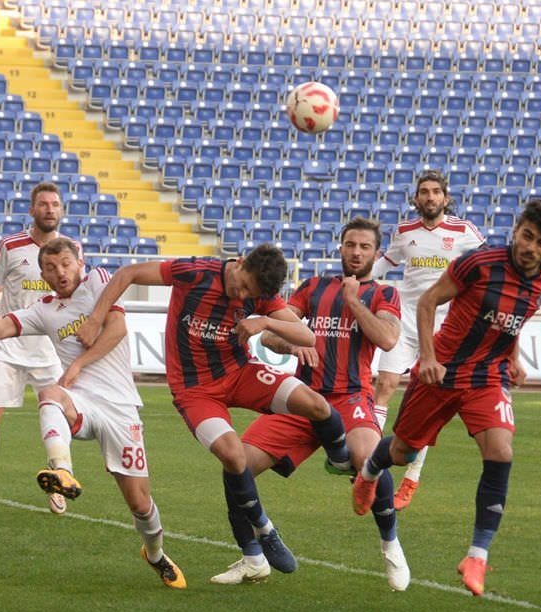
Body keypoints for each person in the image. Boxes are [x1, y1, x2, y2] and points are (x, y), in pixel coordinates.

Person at [75, 243, 352, 585]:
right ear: (239, 263)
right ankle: (264, 528)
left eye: (252, 294)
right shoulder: (195, 273)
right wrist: (95, 318)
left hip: (239, 374)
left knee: (316, 405)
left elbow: (307, 336)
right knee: (234, 456)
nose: (243, 295)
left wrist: (264, 320)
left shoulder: (260, 297)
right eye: (244, 285)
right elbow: (128, 273)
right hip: (195, 390)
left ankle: (341, 459)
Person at [352, 199, 541, 597]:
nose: (530, 248)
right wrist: (430, 357)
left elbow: (513, 319)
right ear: (516, 230)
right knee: (402, 451)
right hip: (442, 372)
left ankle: (476, 554)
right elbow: (428, 301)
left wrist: (513, 357)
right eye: (526, 236)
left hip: (487, 376)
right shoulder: (480, 263)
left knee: (501, 451)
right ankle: (370, 471)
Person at [0, 239, 186, 589]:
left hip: (120, 407)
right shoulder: (44, 309)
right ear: (43, 274)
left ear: (79, 262)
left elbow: (117, 329)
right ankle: (61, 473)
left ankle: (155, 554)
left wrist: (78, 364)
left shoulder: (99, 281)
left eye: (65, 264)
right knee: (49, 394)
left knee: (140, 504)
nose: (59, 272)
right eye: (50, 268)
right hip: (80, 402)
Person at [240, 218, 411, 591]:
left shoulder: (384, 294)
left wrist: (352, 300)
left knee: (370, 462)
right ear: (340, 247)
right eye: (350, 244)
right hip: (303, 399)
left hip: (351, 398)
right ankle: (254, 551)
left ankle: (390, 543)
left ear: (376, 253)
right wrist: (293, 343)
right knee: (238, 465)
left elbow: (386, 339)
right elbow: (270, 335)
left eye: (365, 247)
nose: (356, 252)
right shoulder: (313, 288)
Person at [371, 170, 486, 510]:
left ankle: (411, 479)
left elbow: (485, 268)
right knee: (386, 385)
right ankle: (368, 458)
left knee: (428, 404)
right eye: (425, 192)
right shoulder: (405, 231)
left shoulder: (464, 231)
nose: (431, 197)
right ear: (416, 198)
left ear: (446, 198)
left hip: (446, 326)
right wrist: (355, 276)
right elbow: (384, 264)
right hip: (407, 318)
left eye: (436, 191)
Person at [0, 181, 73, 516]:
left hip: (51, 349)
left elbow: (76, 296)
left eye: (55, 204)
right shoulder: (10, 246)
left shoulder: (71, 248)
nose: (50, 209)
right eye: (44, 204)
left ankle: (60, 478)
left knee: (57, 415)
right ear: (32, 210)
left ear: (61, 210)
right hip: (9, 344)